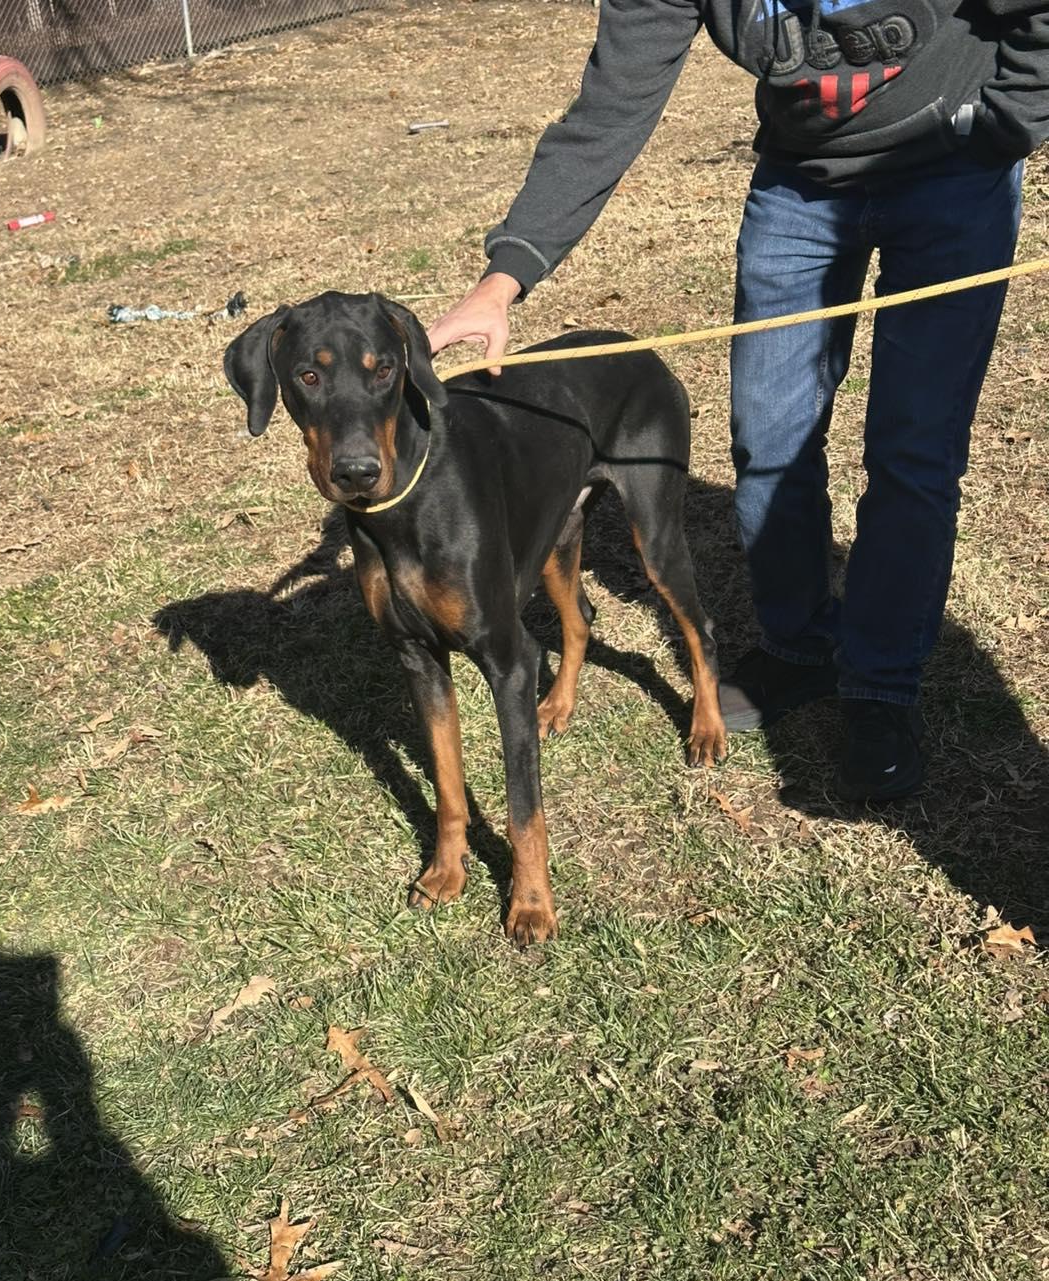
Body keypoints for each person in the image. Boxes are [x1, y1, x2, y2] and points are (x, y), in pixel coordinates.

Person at [426, 0, 1047, 802]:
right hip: (802, 184)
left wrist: (1008, 121)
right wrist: (505, 276)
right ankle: (798, 646)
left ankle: (882, 688)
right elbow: (613, 102)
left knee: (913, 450)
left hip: (956, 172)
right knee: (768, 439)